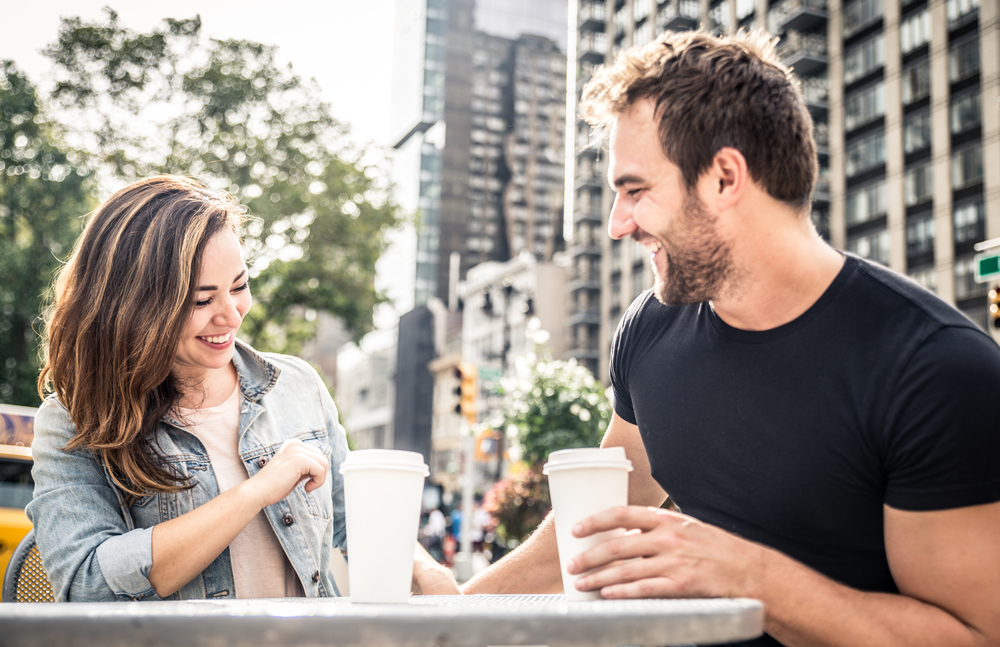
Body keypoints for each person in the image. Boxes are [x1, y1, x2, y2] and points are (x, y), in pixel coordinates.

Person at [463, 30, 1000, 647]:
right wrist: (444, 615)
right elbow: (587, 533)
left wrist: (750, 577)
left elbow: (974, 636)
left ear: (723, 178)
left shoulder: (936, 370)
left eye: (635, 190)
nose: (617, 225)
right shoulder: (650, 329)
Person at [27, 175, 455, 601]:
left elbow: (352, 522)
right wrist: (254, 492)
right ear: (134, 305)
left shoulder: (298, 385)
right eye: (201, 300)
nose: (231, 315)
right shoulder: (73, 420)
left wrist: (422, 569)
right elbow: (86, 584)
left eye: (239, 286)